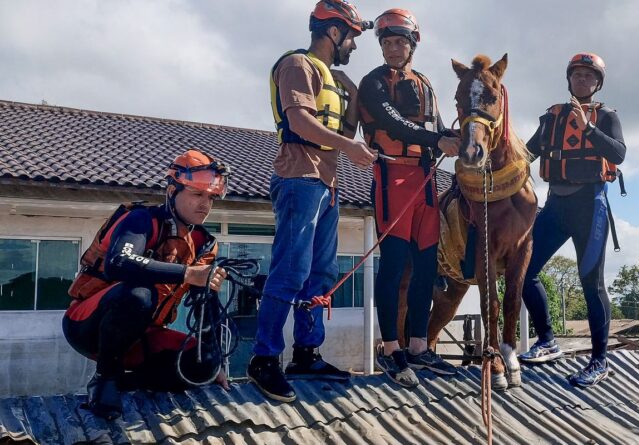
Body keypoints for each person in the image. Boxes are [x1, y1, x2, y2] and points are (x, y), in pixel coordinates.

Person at [248, 0, 377, 403]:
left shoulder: (334, 79)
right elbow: (300, 121)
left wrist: (356, 95)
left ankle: (306, 352)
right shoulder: (297, 66)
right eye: (352, 36)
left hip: (328, 184)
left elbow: (349, 122)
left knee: (320, 273)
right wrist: (350, 148)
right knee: (291, 268)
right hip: (298, 178)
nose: (354, 46)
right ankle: (263, 358)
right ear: (334, 32)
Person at [62, 149, 230, 419]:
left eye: (211, 198)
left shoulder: (205, 243)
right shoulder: (142, 220)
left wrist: (214, 363)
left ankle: (128, 383)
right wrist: (188, 273)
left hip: (145, 335)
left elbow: (205, 305)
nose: (205, 205)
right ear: (173, 191)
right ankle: (105, 378)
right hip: (89, 325)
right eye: (197, 195)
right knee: (140, 294)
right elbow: (119, 261)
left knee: (204, 364)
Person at [357, 8, 460, 388]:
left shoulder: (426, 83)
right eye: (386, 42)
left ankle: (419, 346)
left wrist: (462, 134)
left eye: (400, 41)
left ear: (413, 43)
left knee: (426, 265)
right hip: (392, 177)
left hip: (427, 179)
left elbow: (437, 126)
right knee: (395, 264)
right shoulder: (373, 83)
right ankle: (390, 348)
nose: (393, 48)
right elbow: (391, 123)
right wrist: (437, 140)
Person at [519, 53, 627, 387]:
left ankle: (599, 361)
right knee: (523, 270)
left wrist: (588, 128)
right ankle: (548, 341)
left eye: (588, 76)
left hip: (589, 206)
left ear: (598, 83)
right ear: (569, 79)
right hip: (556, 206)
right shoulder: (552, 117)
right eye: (577, 75)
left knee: (591, 285)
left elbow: (619, 153)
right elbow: (526, 154)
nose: (582, 80)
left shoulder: (607, 116)